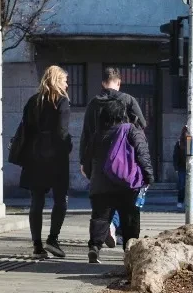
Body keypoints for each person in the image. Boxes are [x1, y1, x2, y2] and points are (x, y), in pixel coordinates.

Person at [79, 67, 147, 248]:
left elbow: (86, 134)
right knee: (127, 206)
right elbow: (142, 125)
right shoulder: (128, 100)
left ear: (103, 82)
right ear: (119, 82)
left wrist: (83, 162)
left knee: (102, 204)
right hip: (124, 161)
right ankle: (128, 245)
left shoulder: (94, 103)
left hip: (98, 160)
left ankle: (99, 240)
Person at [84, 98, 154, 263]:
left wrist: (92, 177)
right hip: (127, 185)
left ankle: (94, 247)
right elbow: (142, 154)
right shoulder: (131, 130)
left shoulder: (97, 134)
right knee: (130, 218)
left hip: (100, 186)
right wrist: (148, 175)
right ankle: (129, 252)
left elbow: (87, 160)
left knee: (100, 218)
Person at [19, 66, 72, 258]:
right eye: (65, 80)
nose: (67, 84)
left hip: (34, 156)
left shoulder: (33, 101)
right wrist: (67, 148)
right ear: (58, 81)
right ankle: (53, 239)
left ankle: (37, 245)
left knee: (37, 201)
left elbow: (25, 129)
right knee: (61, 200)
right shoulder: (62, 101)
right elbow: (62, 132)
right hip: (56, 158)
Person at [173, 124, 193, 209]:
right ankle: (180, 201)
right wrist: (176, 167)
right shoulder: (180, 142)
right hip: (182, 167)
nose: (189, 133)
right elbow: (175, 155)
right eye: (187, 131)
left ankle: (189, 201)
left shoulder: (192, 141)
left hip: (190, 167)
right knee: (182, 185)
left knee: (190, 185)